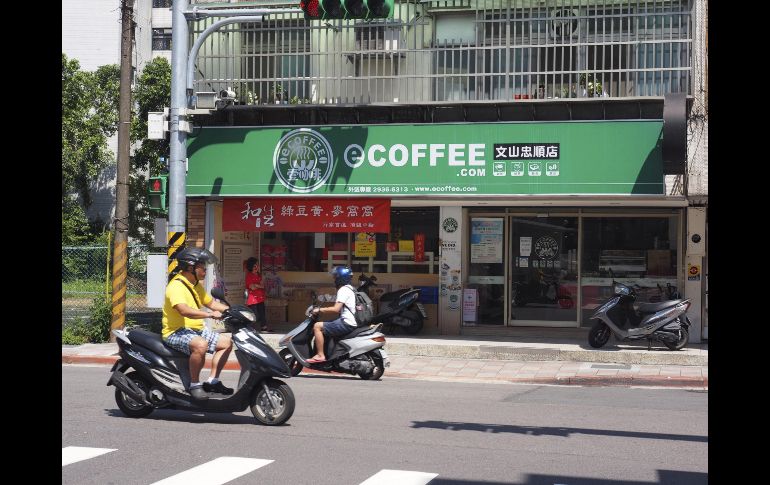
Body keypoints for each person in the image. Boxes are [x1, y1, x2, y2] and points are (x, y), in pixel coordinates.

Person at [162, 247, 234, 400]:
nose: (205, 270)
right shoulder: (176, 286)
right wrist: (209, 315)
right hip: (175, 331)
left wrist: (233, 311)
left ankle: (213, 381)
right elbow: (184, 310)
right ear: (190, 268)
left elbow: (212, 303)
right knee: (201, 345)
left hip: (195, 330)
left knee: (227, 343)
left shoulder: (194, 285)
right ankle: (194, 384)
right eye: (202, 266)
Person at [306, 266, 357, 363]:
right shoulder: (351, 289)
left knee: (317, 326)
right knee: (327, 323)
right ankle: (329, 353)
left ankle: (320, 355)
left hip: (347, 323)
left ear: (340, 278)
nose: (334, 279)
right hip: (351, 321)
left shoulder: (343, 290)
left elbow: (336, 309)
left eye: (335, 277)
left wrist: (319, 310)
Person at [245, 257, 272, 332]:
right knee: (254, 314)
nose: (257, 267)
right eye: (255, 265)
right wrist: (258, 285)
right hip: (252, 299)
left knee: (262, 313)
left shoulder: (259, 275)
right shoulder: (249, 275)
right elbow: (252, 287)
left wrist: (257, 285)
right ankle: (250, 329)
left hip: (260, 297)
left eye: (257, 265)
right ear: (251, 266)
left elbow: (263, 285)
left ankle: (264, 327)